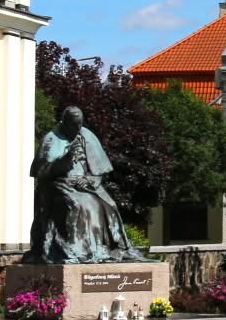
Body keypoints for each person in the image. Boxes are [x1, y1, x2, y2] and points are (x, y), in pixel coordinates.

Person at [25, 105, 144, 263]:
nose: (78, 128)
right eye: (74, 124)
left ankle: (110, 248)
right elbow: (43, 171)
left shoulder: (86, 135)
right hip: (59, 184)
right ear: (64, 122)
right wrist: (65, 160)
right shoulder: (52, 138)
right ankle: (78, 249)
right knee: (80, 205)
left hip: (85, 184)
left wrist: (89, 179)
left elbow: (99, 171)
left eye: (80, 124)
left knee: (109, 205)